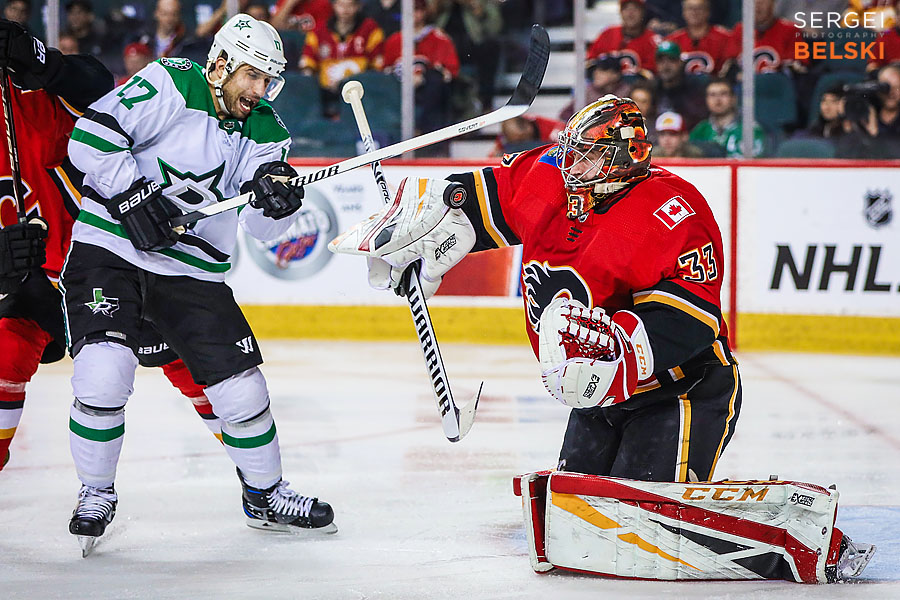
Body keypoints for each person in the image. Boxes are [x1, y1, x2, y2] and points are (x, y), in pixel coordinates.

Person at [330, 93, 874, 584]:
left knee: (644, 535)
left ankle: (803, 541)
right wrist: (422, 227)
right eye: (570, 148)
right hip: (599, 396)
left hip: (681, 389)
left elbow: (688, 319)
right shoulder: (552, 175)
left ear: (622, 158)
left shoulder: (674, 211)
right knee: (581, 533)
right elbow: (480, 197)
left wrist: (615, 354)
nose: (569, 162)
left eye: (586, 154)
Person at [62, 12, 336, 551]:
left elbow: (260, 229)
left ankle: (265, 493)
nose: (260, 90)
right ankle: (95, 492)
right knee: (103, 372)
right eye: (252, 76)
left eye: (269, 80)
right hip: (110, 249)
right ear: (220, 64)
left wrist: (277, 199)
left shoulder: (267, 131)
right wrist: (132, 196)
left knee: (244, 390)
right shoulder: (171, 81)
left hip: (192, 269)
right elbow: (87, 140)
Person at [0, 19, 219, 473]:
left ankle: (260, 480)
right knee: (5, 353)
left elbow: (98, 84)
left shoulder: (25, 92)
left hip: (112, 254)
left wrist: (42, 61)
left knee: (190, 361)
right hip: (36, 277)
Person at [382, 0, 459, 135]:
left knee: (435, 80)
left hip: (427, 93)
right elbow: (385, 69)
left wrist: (423, 77)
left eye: (417, 10)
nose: (413, 14)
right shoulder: (394, 40)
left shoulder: (438, 38)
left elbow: (451, 71)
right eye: (410, 10)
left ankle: (424, 133)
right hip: (398, 89)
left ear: (424, 12)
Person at [300, 0, 384, 117]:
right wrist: (310, 80)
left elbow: (377, 66)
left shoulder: (370, 30)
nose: (345, 10)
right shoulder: (319, 31)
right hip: (325, 92)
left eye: (350, 5)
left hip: (361, 94)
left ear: (358, 6)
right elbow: (308, 63)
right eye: (341, 5)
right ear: (334, 6)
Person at [689, 78, 766, 157]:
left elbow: (756, 161)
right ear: (706, 100)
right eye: (712, 95)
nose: (717, 100)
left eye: (723, 94)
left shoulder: (750, 129)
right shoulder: (700, 130)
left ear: (733, 99)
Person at [586, 0, 661, 76]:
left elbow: (653, 73)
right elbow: (591, 63)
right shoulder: (608, 33)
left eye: (635, 9)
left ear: (643, 12)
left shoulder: (652, 40)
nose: (630, 13)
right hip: (604, 85)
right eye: (626, 9)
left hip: (637, 85)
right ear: (620, 12)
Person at [665, 0, 736, 77]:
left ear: (708, 12)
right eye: (690, 8)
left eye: (699, 8)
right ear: (683, 12)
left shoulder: (724, 37)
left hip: (715, 84)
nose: (694, 12)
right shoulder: (672, 40)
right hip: (682, 87)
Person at [652, 39, 707, 131]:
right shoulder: (653, 88)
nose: (666, 66)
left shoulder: (694, 88)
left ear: (680, 63)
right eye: (661, 61)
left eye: (671, 60)